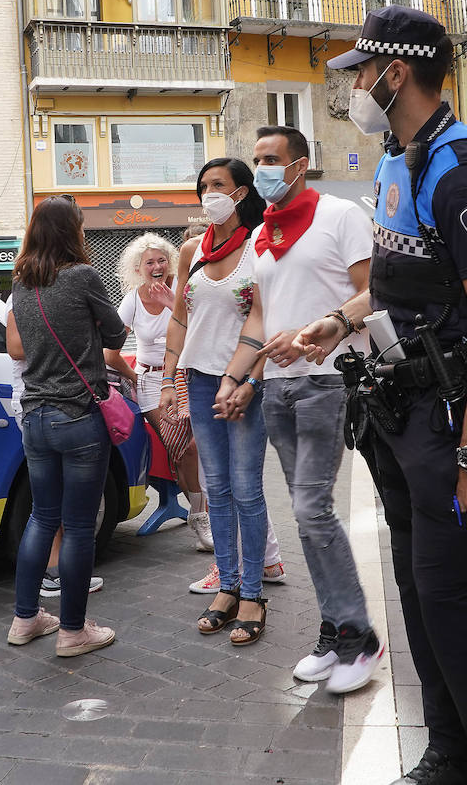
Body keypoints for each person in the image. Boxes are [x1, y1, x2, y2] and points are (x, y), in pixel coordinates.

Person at [296, 5, 467, 783]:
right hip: (401, 424)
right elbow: (404, 284)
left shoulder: (461, 167)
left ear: (396, 74)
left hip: (449, 432)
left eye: (361, 73)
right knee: (419, 595)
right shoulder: (398, 159)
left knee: (458, 607)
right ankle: (449, 753)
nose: (355, 86)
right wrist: (340, 318)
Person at [213, 126, 383, 693]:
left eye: (270, 159)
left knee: (311, 510)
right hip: (279, 389)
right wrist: (242, 377)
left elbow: (374, 291)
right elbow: (261, 320)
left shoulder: (339, 216)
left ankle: (360, 636)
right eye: (256, 159)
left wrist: (327, 324)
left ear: (300, 164)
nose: (261, 169)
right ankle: (333, 632)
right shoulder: (263, 233)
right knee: (307, 515)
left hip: (329, 382)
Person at [159, 158, 280, 645]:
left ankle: (253, 593)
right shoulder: (192, 251)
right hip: (203, 382)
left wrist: (250, 381)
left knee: (247, 489)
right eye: (203, 185)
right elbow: (179, 320)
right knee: (217, 489)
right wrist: (169, 380)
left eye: (218, 185)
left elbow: (269, 322)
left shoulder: (260, 250)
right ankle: (227, 585)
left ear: (240, 192)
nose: (209, 193)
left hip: (247, 384)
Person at [5, 196, 125, 658]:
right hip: (77, 414)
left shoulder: (21, 281)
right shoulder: (82, 276)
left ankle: (25, 617)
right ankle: (73, 630)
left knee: (41, 517)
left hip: (34, 416)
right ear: (71, 232)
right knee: (77, 526)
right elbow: (115, 334)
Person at [107, 234, 212, 551]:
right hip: (152, 383)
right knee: (186, 449)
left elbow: (206, 331)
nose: (157, 266)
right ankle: (200, 516)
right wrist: (134, 378)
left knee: (203, 450)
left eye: (162, 260)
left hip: (190, 376)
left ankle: (206, 510)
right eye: (149, 262)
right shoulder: (132, 300)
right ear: (139, 268)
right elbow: (110, 353)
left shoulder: (184, 290)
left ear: (171, 262)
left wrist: (173, 303)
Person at [4, 294, 105, 599]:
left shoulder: (34, 292)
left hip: (40, 404)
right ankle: (57, 575)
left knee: (48, 507)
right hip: (45, 402)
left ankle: (40, 593)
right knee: (60, 511)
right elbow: (15, 348)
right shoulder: (23, 295)